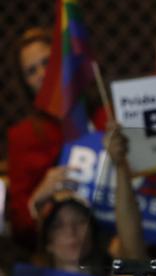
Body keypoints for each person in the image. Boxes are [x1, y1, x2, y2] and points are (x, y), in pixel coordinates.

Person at [7, 28, 107, 256]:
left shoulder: (105, 117)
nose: (42, 73)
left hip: (113, 241)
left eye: (47, 62)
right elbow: (20, 227)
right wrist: (39, 197)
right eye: (31, 71)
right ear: (26, 84)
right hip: (60, 255)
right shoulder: (22, 137)